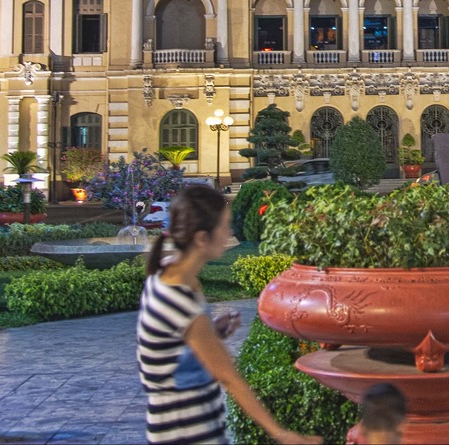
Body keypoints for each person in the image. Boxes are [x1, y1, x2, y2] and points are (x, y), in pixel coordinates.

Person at [137, 185, 321, 445]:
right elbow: (228, 376)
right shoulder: (178, 298)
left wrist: (212, 332)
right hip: (185, 432)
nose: (229, 233)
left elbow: (175, 350)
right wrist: (282, 435)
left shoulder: (166, 273)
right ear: (202, 238)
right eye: (224, 227)